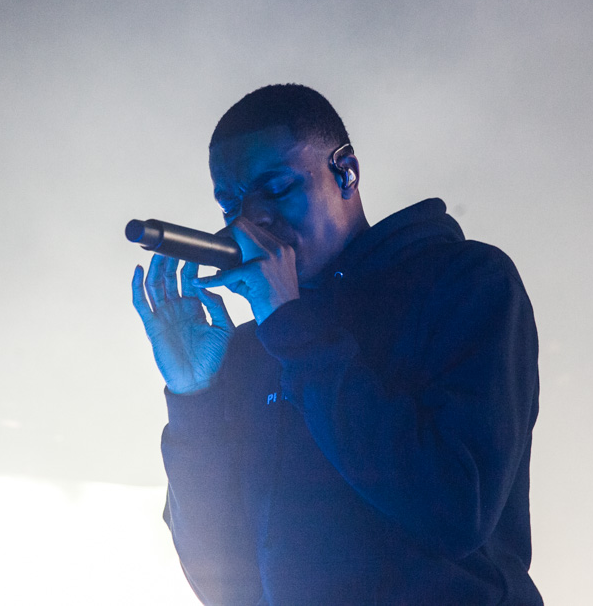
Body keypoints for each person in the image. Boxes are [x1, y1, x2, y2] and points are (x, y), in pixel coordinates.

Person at [131, 84, 542, 605]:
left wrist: (293, 327)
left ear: (345, 171)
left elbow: (456, 510)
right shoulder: (259, 346)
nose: (249, 221)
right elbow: (223, 582)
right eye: (230, 203)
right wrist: (195, 399)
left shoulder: (464, 283)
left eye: (275, 189)